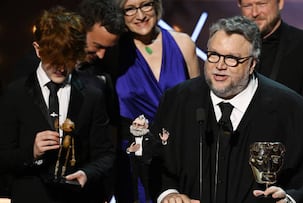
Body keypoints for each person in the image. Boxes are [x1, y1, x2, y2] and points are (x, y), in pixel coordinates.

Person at [151, 15, 303, 203]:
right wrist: (168, 194)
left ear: (252, 64)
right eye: (214, 55)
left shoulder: (292, 109)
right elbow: (156, 160)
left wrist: (290, 198)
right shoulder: (177, 99)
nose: (219, 66)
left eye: (231, 59)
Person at [0, 6, 115, 203]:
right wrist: (32, 152)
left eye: (68, 59)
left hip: (78, 198)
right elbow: (3, 156)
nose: (61, 67)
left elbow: (105, 154)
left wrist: (87, 173)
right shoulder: (15, 93)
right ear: (38, 49)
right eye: (55, 59)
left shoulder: (92, 94)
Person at [105, 0, 200, 201]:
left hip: (178, 157)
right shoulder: (112, 51)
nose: (140, 15)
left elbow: (198, 107)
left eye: (146, 5)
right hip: (133, 161)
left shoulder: (183, 43)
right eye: (130, 9)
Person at [237, 0, 303, 123]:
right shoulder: (230, 46)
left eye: (261, 4)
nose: (254, 13)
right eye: (248, 5)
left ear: (280, 3)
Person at [126, 115, 169, 202]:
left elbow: (156, 146)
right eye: (134, 124)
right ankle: (135, 199)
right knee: (133, 181)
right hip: (135, 162)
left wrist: (163, 141)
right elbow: (127, 147)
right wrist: (129, 150)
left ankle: (148, 199)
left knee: (146, 182)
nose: (136, 127)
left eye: (139, 125)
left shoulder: (149, 136)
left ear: (145, 126)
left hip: (145, 163)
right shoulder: (131, 136)